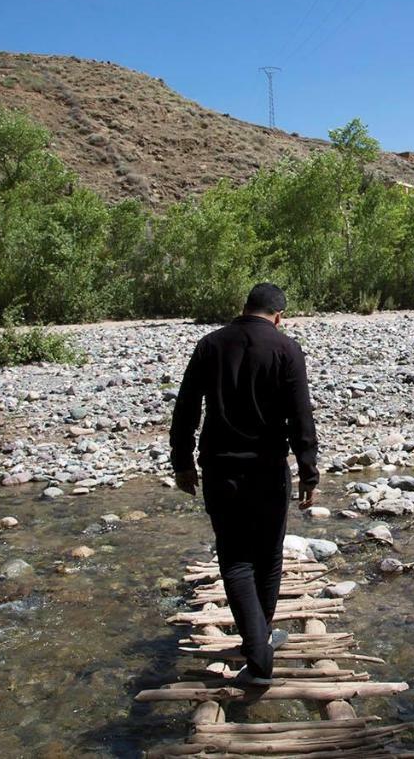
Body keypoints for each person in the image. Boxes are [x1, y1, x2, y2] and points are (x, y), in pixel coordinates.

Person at [169, 283, 319, 687]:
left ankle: (258, 644)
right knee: (268, 556)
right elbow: (300, 416)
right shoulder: (286, 349)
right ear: (279, 315)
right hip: (269, 469)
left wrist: (182, 462)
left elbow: (186, 409)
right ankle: (260, 645)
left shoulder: (211, 345)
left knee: (235, 558)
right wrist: (309, 472)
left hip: (221, 470)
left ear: (244, 307)